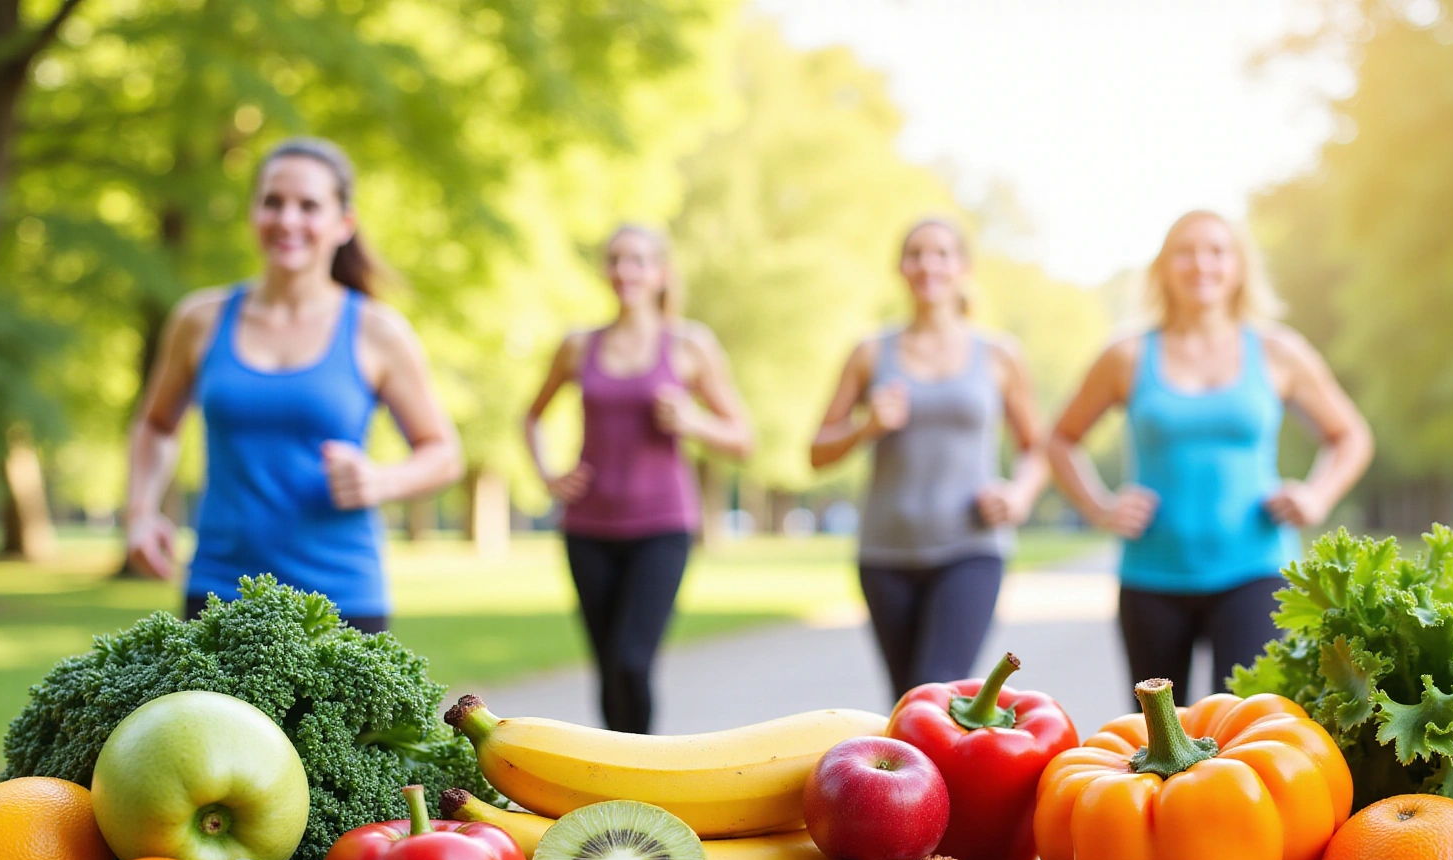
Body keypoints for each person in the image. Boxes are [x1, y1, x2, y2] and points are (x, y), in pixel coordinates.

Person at [124, 137, 463, 633]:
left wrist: (380, 480)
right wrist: (139, 511)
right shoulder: (199, 320)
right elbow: (156, 425)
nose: (287, 219)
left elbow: (444, 453)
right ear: (253, 213)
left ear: (343, 224)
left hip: (342, 596)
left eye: (309, 206)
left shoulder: (377, 329)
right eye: (272, 202)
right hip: (220, 591)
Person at [1047, 209, 1373, 697]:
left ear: (1239, 266)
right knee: (1157, 744)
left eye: (1216, 251)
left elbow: (1350, 435)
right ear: (1162, 268)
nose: (1201, 264)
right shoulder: (1128, 355)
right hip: (1152, 575)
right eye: (1185, 251)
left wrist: (1317, 496)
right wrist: (1099, 505)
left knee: (1247, 732)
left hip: (1255, 570)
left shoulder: (1278, 351)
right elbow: (1060, 438)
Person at [524, 225, 752, 735]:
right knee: (607, 666)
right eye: (617, 260)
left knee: (632, 660)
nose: (627, 271)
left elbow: (742, 436)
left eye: (640, 261)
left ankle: (644, 766)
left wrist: (692, 420)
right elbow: (532, 415)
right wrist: (548, 474)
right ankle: (616, 777)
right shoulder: (579, 346)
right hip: (588, 527)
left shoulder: (690, 344)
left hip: (662, 526)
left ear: (661, 273)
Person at [810, 218, 1048, 700]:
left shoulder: (999, 355)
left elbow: (1036, 449)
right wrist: (866, 425)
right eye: (916, 254)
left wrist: (1018, 494)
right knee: (907, 698)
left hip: (971, 547)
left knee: (935, 688)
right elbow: (817, 451)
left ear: (963, 267)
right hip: (885, 552)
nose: (928, 265)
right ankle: (916, 779)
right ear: (901, 267)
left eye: (941, 254)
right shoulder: (870, 354)